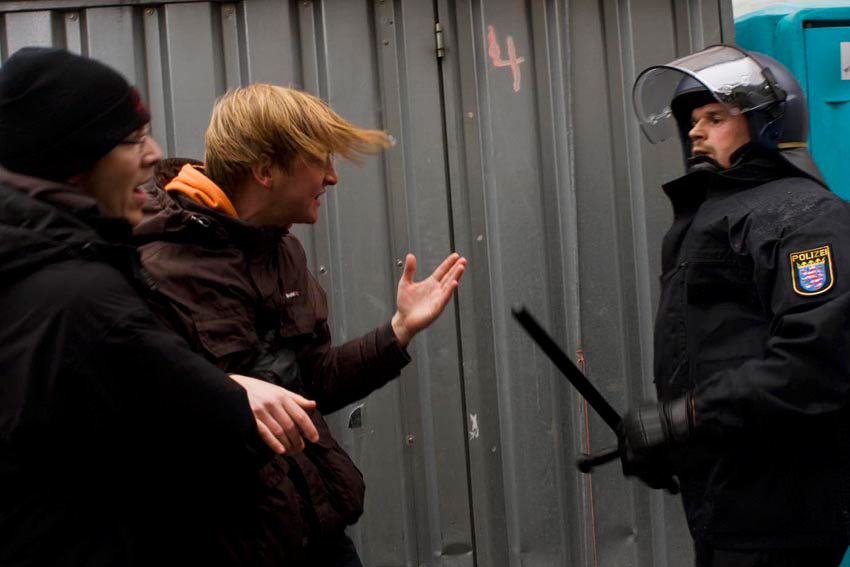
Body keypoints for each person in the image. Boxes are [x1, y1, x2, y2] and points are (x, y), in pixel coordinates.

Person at [0, 47, 320, 566]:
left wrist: (394, 336)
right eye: (131, 139)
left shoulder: (35, 267)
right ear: (73, 160)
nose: (153, 154)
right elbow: (218, 432)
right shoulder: (87, 297)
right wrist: (232, 390)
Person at [133, 84, 466, 566]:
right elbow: (148, 414)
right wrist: (225, 391)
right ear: (265, 171)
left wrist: (397, 331)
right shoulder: (159, 262)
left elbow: (311, 384)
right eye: (319, 161)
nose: (332, 178)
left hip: (313, 533)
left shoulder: (282, 250)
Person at [621, 45, 850, 567]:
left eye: (715, 118)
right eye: (692, 122)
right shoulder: (708, 217)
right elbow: (712, 354)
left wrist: (685, 419)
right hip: (725, 501)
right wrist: (675, 442)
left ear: (766, 126)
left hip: (782, 512)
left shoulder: (807, 216)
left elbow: (817, 362)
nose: (695, 132)